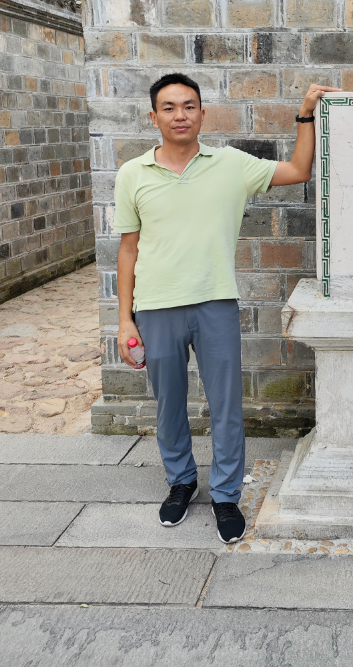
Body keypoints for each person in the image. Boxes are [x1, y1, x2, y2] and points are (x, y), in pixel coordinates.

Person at [114, 72, 339, 543]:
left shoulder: (231, 164)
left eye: (188, 106)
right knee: (169, 404)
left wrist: (306, 114)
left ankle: (226, 495)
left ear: (202, 113)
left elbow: (298, 170)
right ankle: (181, 482)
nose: (180, 115)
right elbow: (128, 250)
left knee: (226, 406)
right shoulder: (133, 173)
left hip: (214, 302)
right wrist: (124, 321)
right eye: (169, 108)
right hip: (156, 307)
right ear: (153, 117)